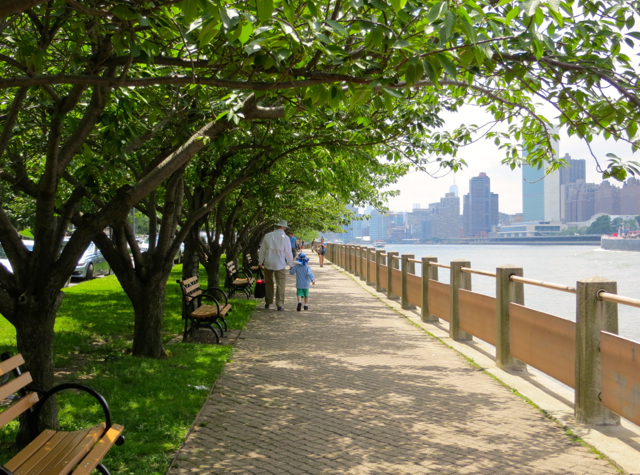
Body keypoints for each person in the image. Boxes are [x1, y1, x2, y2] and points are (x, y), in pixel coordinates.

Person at [258, 220, 294, 311]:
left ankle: (268, 302)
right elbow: (288, 252)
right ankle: (279, 304)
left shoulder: (268, 236)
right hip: (280, 263)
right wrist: (291, 263)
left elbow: (262, 250)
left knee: (269, 283)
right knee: (280, 283)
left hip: (268, 262)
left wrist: (260, 262)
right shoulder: (285, 238)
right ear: (284, 228)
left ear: (277, 226)